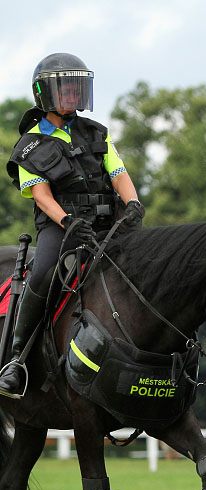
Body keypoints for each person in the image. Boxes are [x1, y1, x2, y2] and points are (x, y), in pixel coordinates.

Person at [0, 53, 144, 398]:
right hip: (60, 228)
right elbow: (41, 197)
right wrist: (67, 221)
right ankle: (17, 359)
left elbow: (118, 173)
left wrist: (134, 203)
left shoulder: (96, 132)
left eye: (78, 88)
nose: (74, 95)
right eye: (66, 88)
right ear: (46, 94)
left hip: (109, 225)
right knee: (43, 272)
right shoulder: (30, 145)